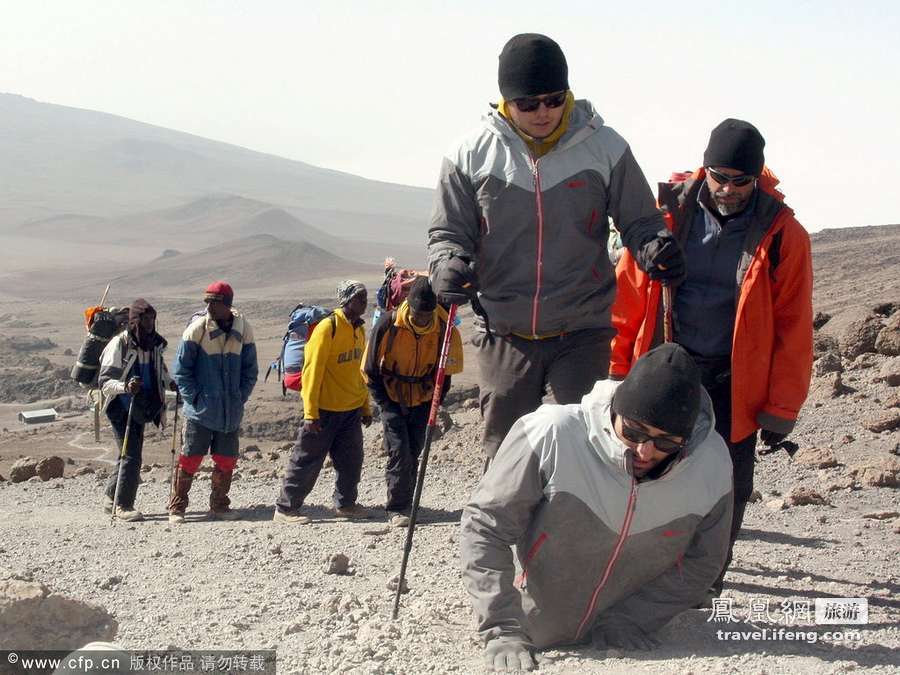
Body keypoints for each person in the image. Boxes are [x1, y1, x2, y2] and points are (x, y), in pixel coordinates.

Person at [427, 33, 684, 461]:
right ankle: (502, 529)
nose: (543, 112)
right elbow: (447, 234)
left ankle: (571, 530)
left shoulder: (606, 147)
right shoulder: (468, 154)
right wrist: (446, 266)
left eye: (554, 99)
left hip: (583, 326)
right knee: (505, 454)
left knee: (584, 449)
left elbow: (640, 221)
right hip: (504, 329)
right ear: (505, 101)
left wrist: (656, 246)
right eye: (528, 103)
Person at [610, 119, 814, 597]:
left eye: (739, 181)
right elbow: (628, 296)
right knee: (648, 472)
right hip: (666, 370)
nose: (726, 189)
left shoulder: (784, 235)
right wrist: (618, 370)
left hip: (733, 380)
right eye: (718, 177)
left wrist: (781, 409)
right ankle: (638, 572)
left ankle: (703, 582)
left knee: (727, 485)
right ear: (705, 170)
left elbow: (793, 327)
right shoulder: (667, 217)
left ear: (757, 176)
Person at [460, 344, 733, 671]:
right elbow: (485, 526)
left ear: (686, 440)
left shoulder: (711, 465)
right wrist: (502, 627)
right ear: (615, 410)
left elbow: (704, 561)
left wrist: (635, 618)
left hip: (624, 631)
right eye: (633, 432)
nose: (645, 451)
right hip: (528, 621)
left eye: (665, 443)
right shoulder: (552, 433)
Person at [362, 277, 463, 527]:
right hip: (392, 396)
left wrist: (435, 404)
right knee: (399, 451)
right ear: (409, 306)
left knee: (414, 450)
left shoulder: (442, 327)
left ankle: (407, 502)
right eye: (418, 316)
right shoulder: (389, 323)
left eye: (426, 316)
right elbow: (369, 368)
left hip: (424, 397)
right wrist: (384, 403)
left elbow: (445, 372)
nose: (421, 321)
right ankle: (396, 507)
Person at [274, 280, 374, 524]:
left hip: (350, 410)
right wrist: (310, 413)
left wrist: (365, 406)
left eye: (365, 297)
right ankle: (286, 509)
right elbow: (312, 372)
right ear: (347, 300)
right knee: (306, 460)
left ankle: (345, 504)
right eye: (360, 297)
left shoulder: (359, 329)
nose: (364, 302)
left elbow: (359, 373)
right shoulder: (327, 328)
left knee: (351, 462)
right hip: (324, 411)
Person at [168, 281, 258, 524]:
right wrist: (194, 398)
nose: (209, 307)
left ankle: (219, 505)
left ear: (227, 304)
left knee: (226, 458)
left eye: (215, 303)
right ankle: (177, 506)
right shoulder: (197, 329)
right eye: (207, 302)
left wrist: (240, 396)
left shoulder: (243, 329)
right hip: (201, 411)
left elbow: (250, 370)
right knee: (190, 457)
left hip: (230, 409)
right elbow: (181, 370)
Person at [98, 299, 174, 522]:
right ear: (134, 320)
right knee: (132, 454)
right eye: (145, 319)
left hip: (142, 405)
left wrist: (170, 383)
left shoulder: (154, 344)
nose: (150, 324)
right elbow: (105, 381)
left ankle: (111, 497)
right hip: (121, 407)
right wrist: (125, 387)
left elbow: (161, 370)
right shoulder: (119, 344)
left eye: (152, 319)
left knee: (128, 453)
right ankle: (123, 505)